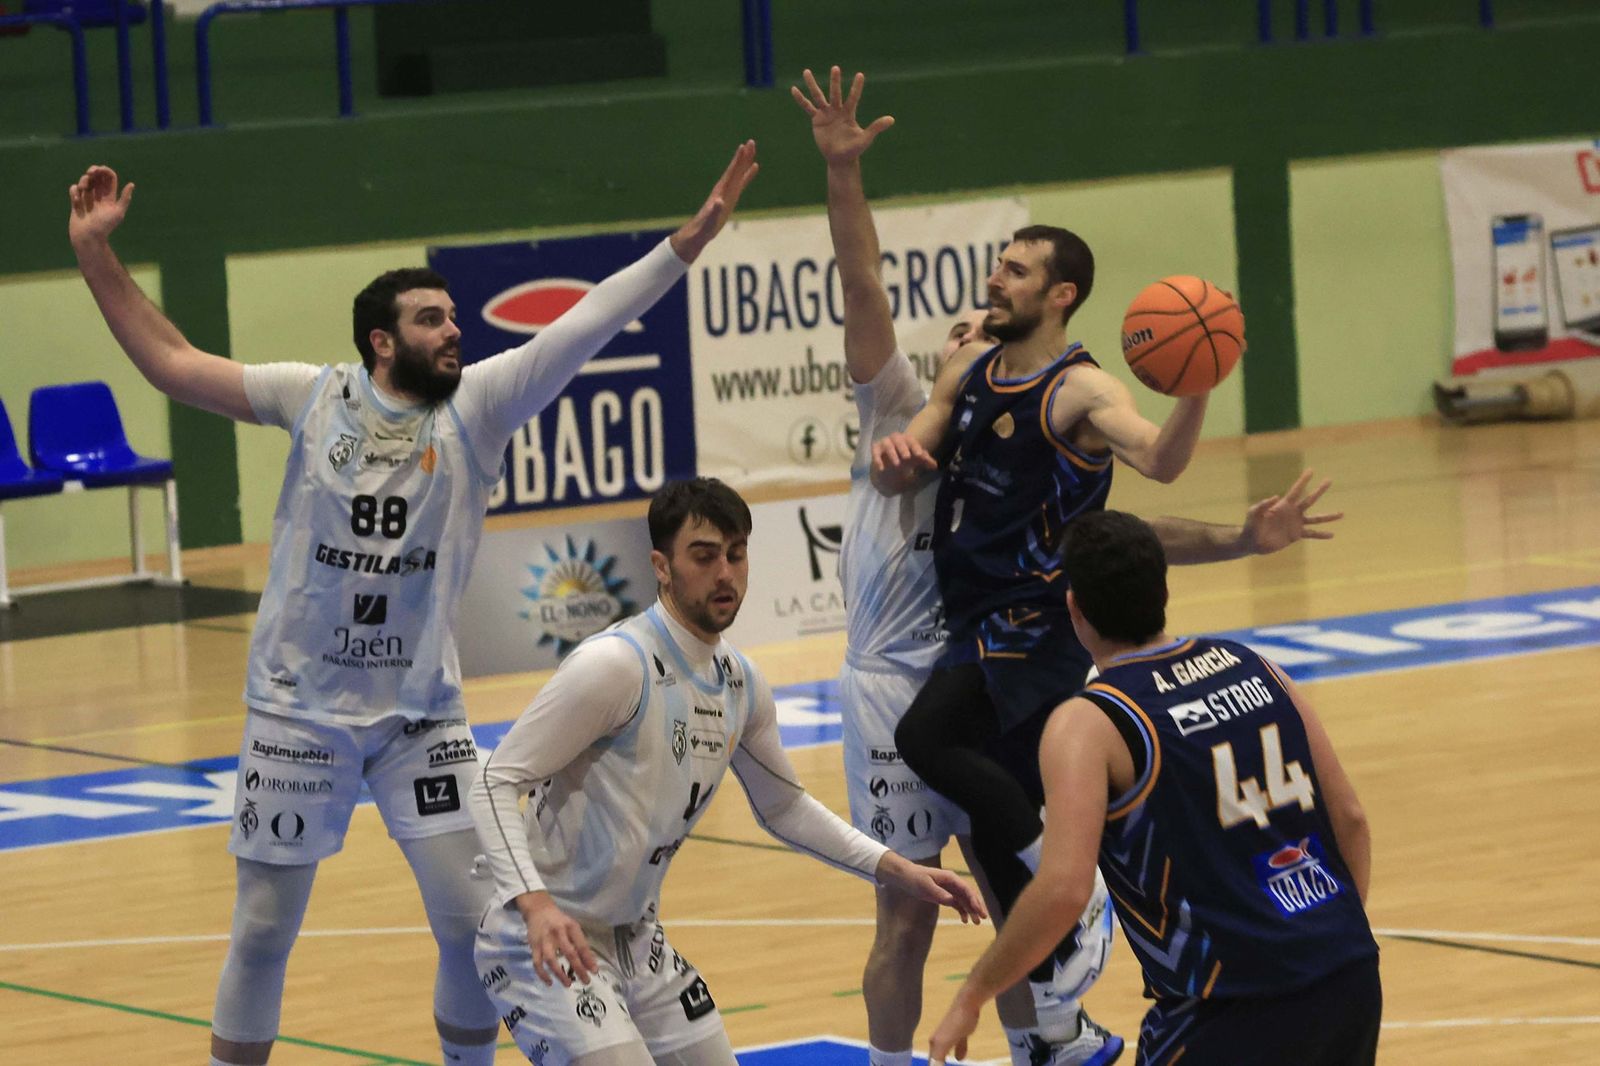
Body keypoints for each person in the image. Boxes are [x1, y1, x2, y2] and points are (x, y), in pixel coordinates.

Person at [66, 145, 760, 1066]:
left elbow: (585, 324)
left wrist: (685, 244)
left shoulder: (476, 408)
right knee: (264, 928)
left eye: (454, 316)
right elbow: (170, 361)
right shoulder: (307, 396)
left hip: (419, 720)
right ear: (381, 341)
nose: (454, 331)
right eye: (431, 319)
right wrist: (93, 253)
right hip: (297, 712)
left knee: (476, 920)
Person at [793, 67, 1343, 1066]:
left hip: (1010, 640)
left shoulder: (1066, 390)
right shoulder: (926, 394)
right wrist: (842, 179)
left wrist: (1218, 467)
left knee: (1006, 855)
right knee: (912, 907)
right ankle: (988, 1033)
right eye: (974, 296)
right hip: (910, 662)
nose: (977, 301)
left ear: (1054, 294)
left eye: (1004, 277)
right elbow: (866, 291)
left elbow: (1145, 486)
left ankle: (1054, 1013)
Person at [466, 477, 987, 1066]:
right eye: (704, 556)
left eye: (736, 554)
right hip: (546, 935)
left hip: (639, 942)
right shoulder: (614, 666)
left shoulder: (741, 683)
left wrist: (893, 868)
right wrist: (534, 905)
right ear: (661, 567)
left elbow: (785, 806)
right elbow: (493, 780)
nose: (725, 573)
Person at [929, 510, 1379, 1066]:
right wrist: (1327, 941)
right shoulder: (1258, 666)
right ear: (1163, 587)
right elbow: (1351, 818)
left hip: (1229, 1004)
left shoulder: (1090, 721)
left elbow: (1065, 890)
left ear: (1074, 607)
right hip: (1348, 972)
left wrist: (974, 993)